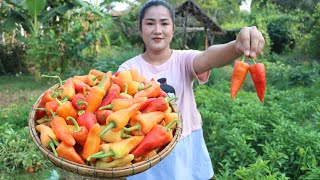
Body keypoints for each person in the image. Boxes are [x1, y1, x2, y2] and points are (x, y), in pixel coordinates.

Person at [118, 0, 265, 179]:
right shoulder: (127, 69)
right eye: (150, 23)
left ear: (173, 28)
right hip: (145, 150)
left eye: (164, 23)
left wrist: (236, 46)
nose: (157, 30)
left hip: (184, 144)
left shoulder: (183, 60)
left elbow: (209, 57)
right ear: (140, 29)